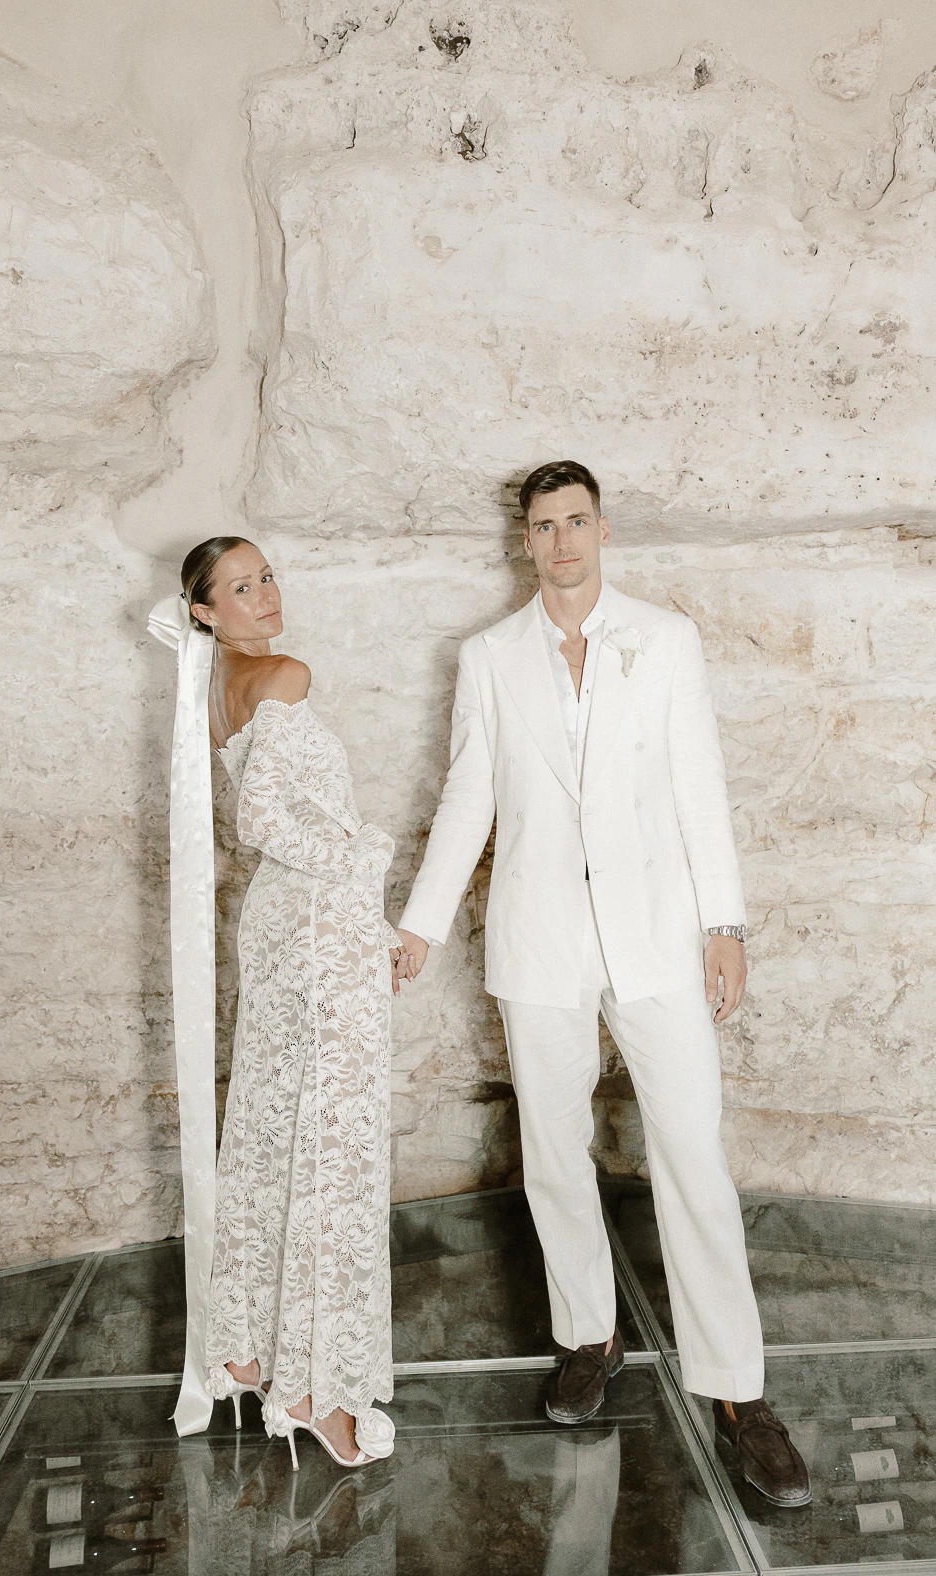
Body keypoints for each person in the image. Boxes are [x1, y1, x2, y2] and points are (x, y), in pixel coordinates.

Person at [395, 462, 811, 1507]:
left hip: (656, 937)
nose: (562, 542)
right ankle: (588, 1336)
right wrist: (418, 925)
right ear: (524, 542)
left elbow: (698, 784)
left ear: (601, 530)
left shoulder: (664, 640)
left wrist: (723, 926)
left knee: (692, 1154)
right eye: (543, 526)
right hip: (538, 940)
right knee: (550, 1149)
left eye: (576, 521)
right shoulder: (487, 656)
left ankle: (739, 1393)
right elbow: (466, 796)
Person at [161, 535, 401, 1470]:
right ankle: (312, 1396)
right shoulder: (282, 673)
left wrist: (370, 918)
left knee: (272, 1130)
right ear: (204, 611)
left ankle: (251, 1355)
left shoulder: (215, 691)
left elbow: (269, 820)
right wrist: (366, 859)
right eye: (240, 586)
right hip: (315, 924)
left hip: (281, 924)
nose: (265, 594)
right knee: (332, 1148)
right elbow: (262, 819)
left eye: (266, 577)